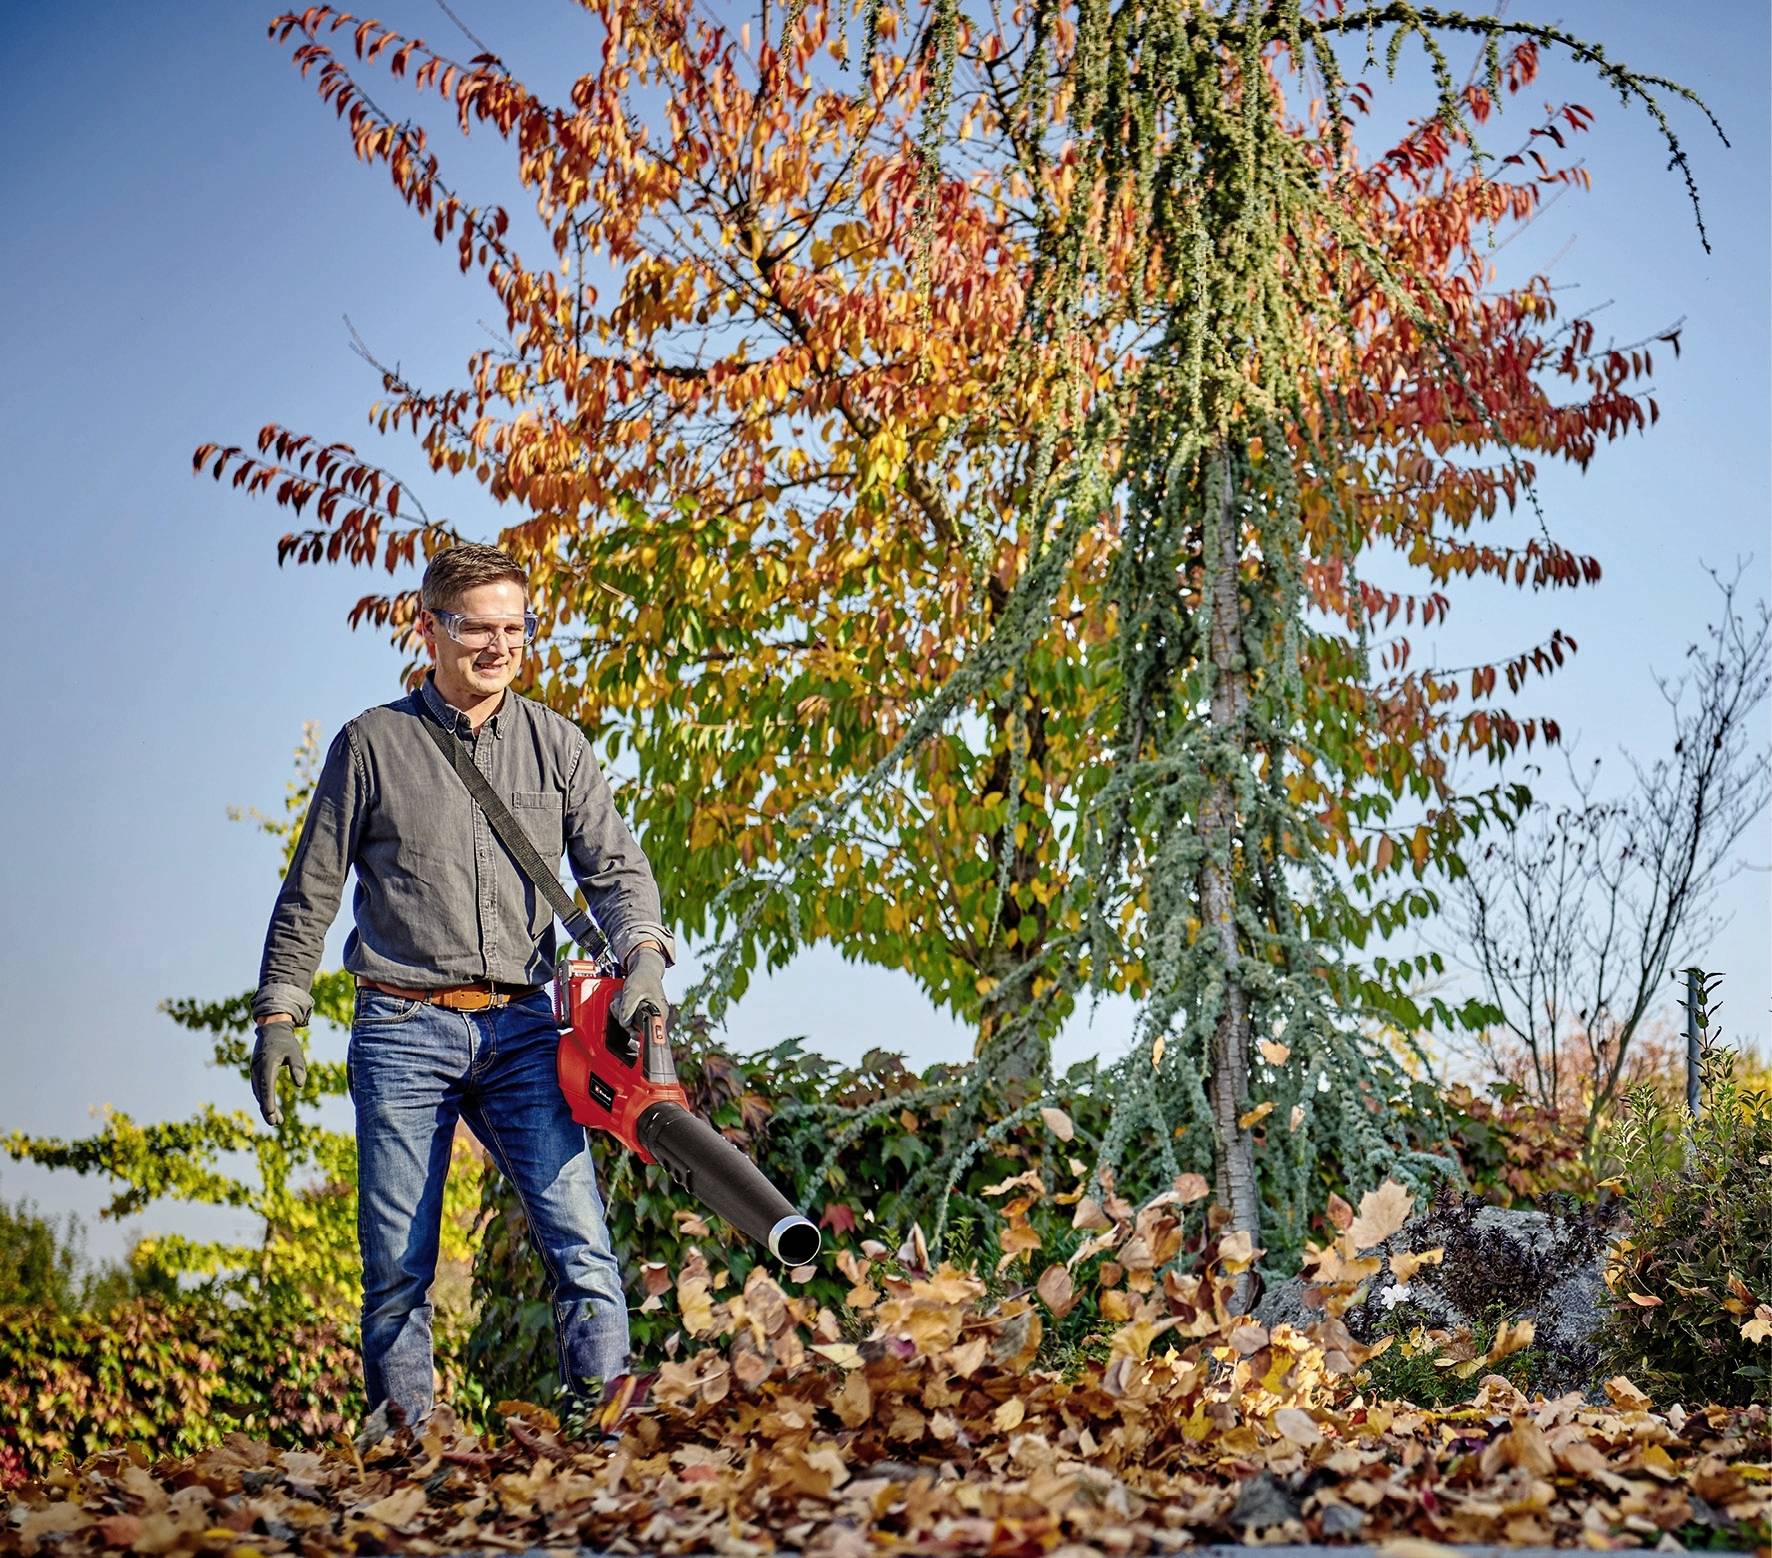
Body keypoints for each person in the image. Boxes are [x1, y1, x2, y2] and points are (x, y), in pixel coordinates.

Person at [248, 541, 672, 1427]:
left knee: (583, 1245)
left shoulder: (557, 744)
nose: (499, 647)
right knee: (399, 1264)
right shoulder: (372, 745)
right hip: (403, 1025)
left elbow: (618, 873)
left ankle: (606, 1435)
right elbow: (311, 894)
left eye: (514, 628)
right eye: (477, 628)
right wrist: (281, 1014)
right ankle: (409, 1449)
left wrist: (644, 961)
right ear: (427, 628)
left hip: (524, 1032)